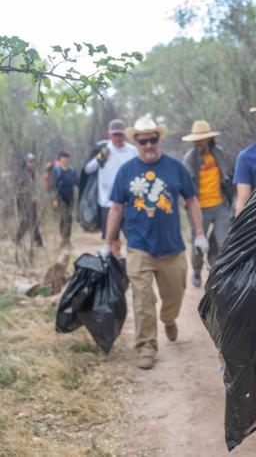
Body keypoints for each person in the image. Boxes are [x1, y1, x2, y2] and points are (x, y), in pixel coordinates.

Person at [99, 115, 209, 370]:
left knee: (175, 296)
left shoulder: (175, 168)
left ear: (159, 139)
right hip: (139, 247)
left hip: (172, 248)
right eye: (143, 140)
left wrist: (200, 233)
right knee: (142, 299)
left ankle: (169, 319)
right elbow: (116, 208)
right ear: (135, 142)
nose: (148, 145)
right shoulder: (126, 171)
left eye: (153, 139)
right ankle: (146, 346)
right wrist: (108, 243)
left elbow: (191, 201)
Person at [182, 120, 234, 287]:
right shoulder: (189, 159)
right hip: (200, 208)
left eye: (202, 139)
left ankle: (219, 273)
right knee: (198, 243)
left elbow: (231, 176)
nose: (199, 143)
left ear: (209, 139)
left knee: (224, 241)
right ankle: (196, 271)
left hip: (220, 205)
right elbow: (186, 188)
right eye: (196, 140)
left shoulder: (220, 154)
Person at [84, 119, 138, 256]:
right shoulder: (103, 150)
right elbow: (88, 169)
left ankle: (131, 265)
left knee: (133, 237)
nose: (117, 138)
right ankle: (117, 267)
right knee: (112, 239)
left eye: (120, 134)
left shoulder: (133, 151)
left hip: (129, 202)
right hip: (107, 201)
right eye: (115, 134)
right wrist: (101, 157)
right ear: (109, 134)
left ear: (124, 135)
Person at [15, 152, 43, 247]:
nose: (31, 163)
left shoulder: (32, 172)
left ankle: (18, 239)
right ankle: (38, 242)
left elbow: (34, 187)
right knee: (28, 221)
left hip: (32, 201)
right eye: (30, 161)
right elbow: (21, 188)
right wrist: (30, 196)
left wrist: (35, 196)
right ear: (26, 162)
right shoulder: (22, 173)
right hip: (24, 201)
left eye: (33, 161)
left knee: (31, 221)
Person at [51, 150, 78, 248]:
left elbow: (77, 182)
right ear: (60, 158)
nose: (66, 159)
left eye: (67, 157)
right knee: (64, 218)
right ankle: (65, 240)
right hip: (60, 197)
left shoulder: (72, 169)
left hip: (70, 197)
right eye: (64, 157)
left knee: (69, 219)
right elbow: (52, 185)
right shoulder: (56, 169)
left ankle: (66, 240)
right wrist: (54, 199)